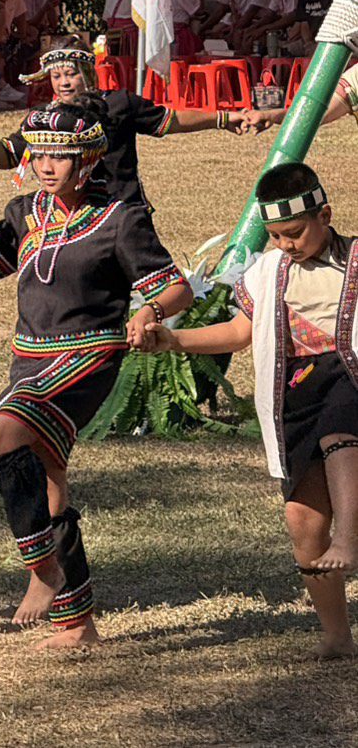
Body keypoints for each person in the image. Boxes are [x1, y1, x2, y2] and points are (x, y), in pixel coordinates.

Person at [0, 107, 192, 649]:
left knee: (2, 434)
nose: (47, 165)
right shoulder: (24, 211)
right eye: (40, 154)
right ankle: (77, 624)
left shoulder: (120, 219)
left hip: (89, 357)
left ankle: (42, 569)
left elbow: (177, 289)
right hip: (29, 357)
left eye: (60, 155)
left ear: (88, 161)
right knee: (50, 480)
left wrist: (149, 311)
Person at [134, 163, 358, 658]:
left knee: (340, 433)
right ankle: (336, 635)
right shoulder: (268, 271)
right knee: (302, 521)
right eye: (276, 235)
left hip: (350, 376)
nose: (285, 244)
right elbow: (240, 332)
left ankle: (348, 537)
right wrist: (173, 339)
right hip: (293, 392)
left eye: (294, 233)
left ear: (325, 215)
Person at [0, 44, 262, 209]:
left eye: (71, 74)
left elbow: (170, 120)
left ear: (88, 73)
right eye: (56, 76)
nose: (64, 83)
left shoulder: (119, 103)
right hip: (71, 213)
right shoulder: (43, 118)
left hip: (123, 206)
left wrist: (223, 119)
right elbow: (7, 158)